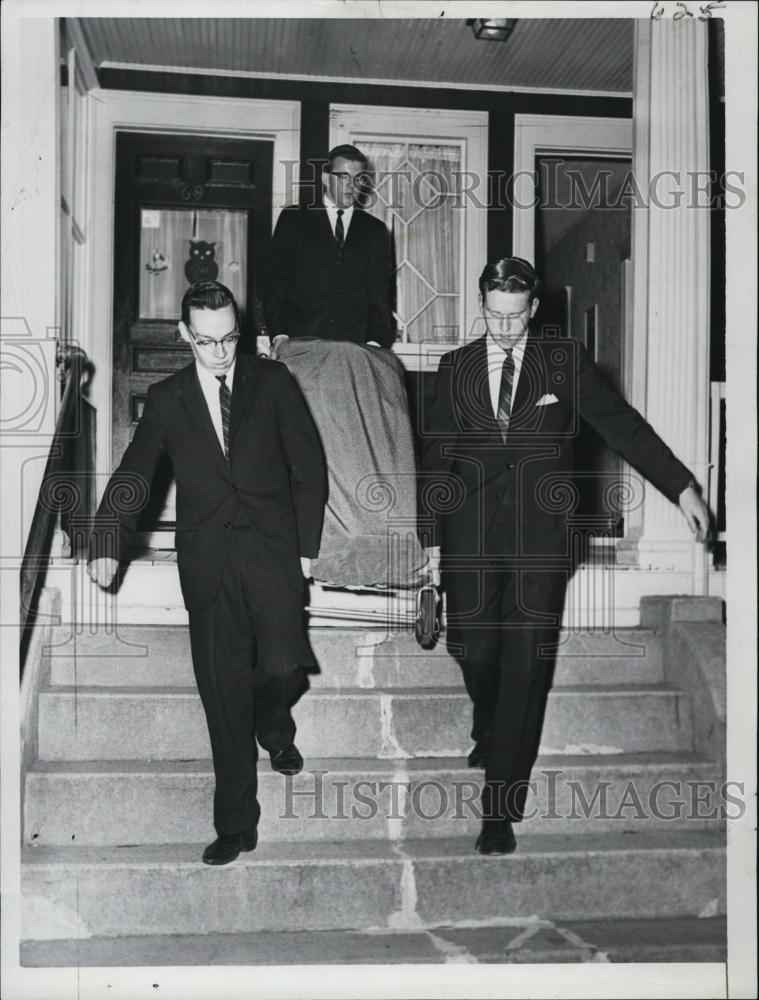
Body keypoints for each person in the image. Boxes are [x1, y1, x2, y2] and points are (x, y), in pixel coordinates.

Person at [420, 257, 710, 856]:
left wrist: (682, 485)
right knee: (474, 648)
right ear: (483, 306)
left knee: (525, 663)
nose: (503, 328)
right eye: (493, 316)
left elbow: (620, 425)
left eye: (514, 316)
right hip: (469, 535)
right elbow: (437, 458)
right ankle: (490, 722)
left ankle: (500, 806)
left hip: (541, 540)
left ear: (532, 310)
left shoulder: (563, 361)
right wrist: (428, 541)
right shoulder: (455, 367)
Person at [88, 280, 326, 866]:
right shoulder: (168, 398)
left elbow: (309, 466)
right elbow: (133, 473)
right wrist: (107, 541)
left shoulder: (272, 382)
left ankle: (274, 725)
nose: (221, 353)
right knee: (221, 694)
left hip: (274, 552)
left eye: (229, 339)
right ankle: (235, 823)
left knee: (280, 666)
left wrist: (307, 549)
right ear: (184, 335)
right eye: (207, 342)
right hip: (209, 562)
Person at [262, 143, 394, 353]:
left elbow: (379, 299)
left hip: (354, 350)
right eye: (343, 177)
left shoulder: (375, 231)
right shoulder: (294, 219)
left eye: (359, 178)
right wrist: (279, 334)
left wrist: (374, 346)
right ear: (325, 178)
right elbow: (274, 285)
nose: (351, 186)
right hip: (300, 346)